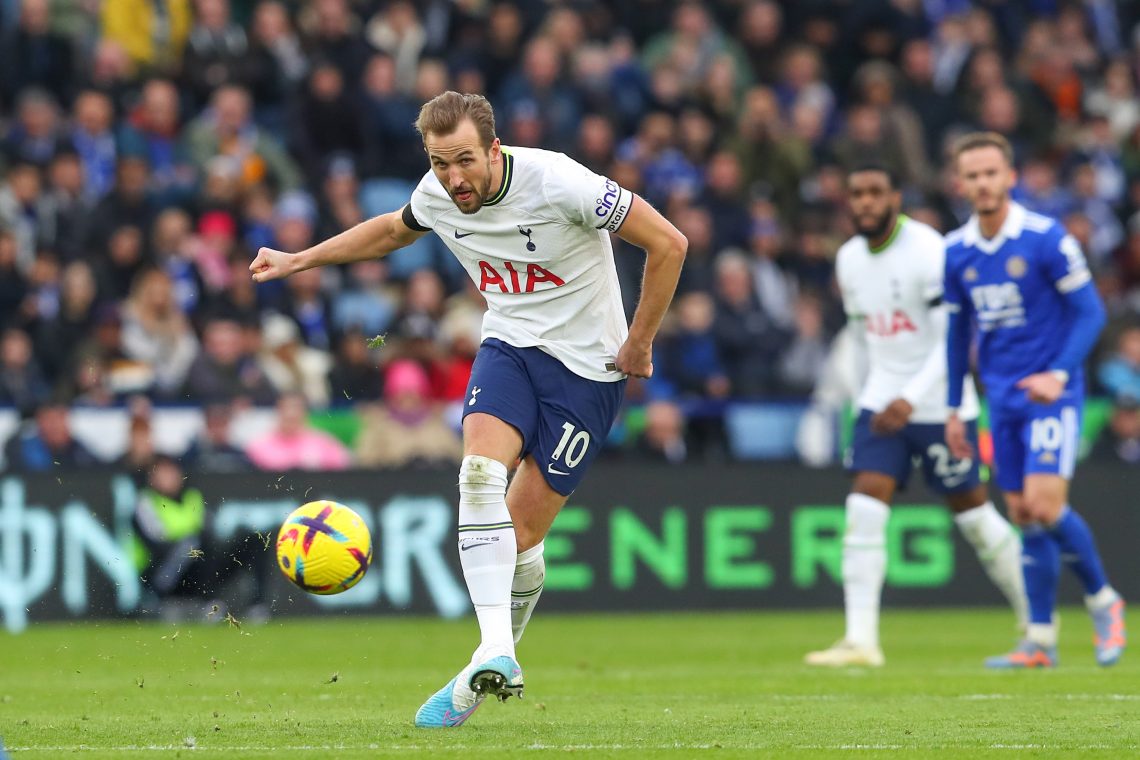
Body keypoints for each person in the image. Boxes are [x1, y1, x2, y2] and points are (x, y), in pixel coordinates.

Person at [250, 91, 686, 727]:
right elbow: (392, 230)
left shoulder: (560, 182)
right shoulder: (436, 192)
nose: (452, 178)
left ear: (494, 150)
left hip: (588, 371)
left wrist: (640, 340)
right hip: (509, 346)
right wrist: (302, 258)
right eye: (438, 162)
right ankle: (496, 653)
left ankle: (479, 666)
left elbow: (668, 243)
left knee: (523, 536)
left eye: (463, 161)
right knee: (478, 473)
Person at [805, 165, 1027, 668]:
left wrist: (911, 396)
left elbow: (953, 336)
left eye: (873, 192)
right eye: (855, 193)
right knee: (863, 509)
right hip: (881, 405)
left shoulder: (928, 249)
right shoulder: (849, 259)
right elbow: (864, 337)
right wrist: (871, 395)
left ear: (894, 198)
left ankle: (1034, 617)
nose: (863, 202)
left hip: (939, 404)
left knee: (973, 517)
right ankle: (861, 641)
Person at [944, 132, 1125, 669]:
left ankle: (1103, 600)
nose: (982, 183)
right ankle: (1040, 641)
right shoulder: (957, 252)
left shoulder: (1047, 238)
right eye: (972, 175)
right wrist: (957, 404)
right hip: (1001, 398)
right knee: (1023, 513)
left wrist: (1057, 373)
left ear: (1010, 177)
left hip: (1052, 393)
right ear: (961, 183)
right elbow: (957, 335)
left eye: (990, 173)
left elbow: (1091, 312)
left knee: (1045, 505)